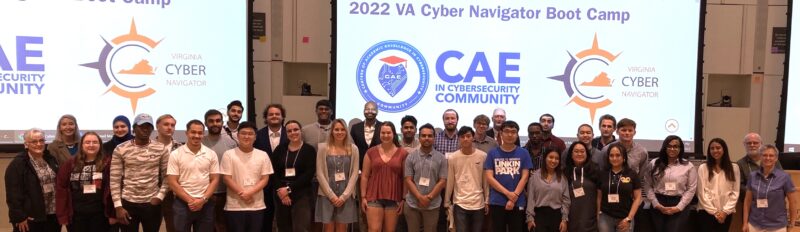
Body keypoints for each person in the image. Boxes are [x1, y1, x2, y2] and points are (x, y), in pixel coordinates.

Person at [109, 113, 170, 232]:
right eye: (141, 126)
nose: (145, 129)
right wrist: (118, 206)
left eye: (148, 126)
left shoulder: (160, 148)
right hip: (128, 203)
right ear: (134, 128)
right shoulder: (121, 149)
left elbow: (167, 176)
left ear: (152, 129)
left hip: (152, 203)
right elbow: (114, 179)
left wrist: (160, 196)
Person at [166, 120, 220, 232]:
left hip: (205, 203)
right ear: (186, 133)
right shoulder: (176, 154)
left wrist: (203, 200)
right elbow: (172, 182)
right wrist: (190, 201)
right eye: (193, 132)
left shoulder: (211, 154)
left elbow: (215, 179)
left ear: (203, 134)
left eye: (200, 133)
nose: (196, 136)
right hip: (182, 204)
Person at [221, 121, 274, 232]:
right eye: (243, 133)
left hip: (256, 205)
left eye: (250, 134)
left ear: (255, 137)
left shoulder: (263, 155)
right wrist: (242, 193)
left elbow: (265, 179)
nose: (246, 136)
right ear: (237, 135)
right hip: (234, 205)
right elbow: (226, 178)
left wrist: (250, 193)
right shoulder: (228, 154)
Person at [6, 128, 61, 232]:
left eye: (41, 140)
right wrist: (19, 217)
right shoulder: (18, 164)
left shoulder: (50, 159)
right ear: (26, 144)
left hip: (52, 214)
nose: (39, 144)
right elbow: (13, 194)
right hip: (31, 217)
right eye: (34, 141)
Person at [484, 121, 533, 232]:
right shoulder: (492, 153)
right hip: (497, 201)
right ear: (500, 133)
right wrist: (508, 194)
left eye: (513, 132)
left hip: (518, 201)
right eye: (506, 131)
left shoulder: (523, 153)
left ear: (517, 135)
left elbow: (525, 177)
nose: (510, 135)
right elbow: (489, 178)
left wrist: (514, 195)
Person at [56, 132, 110, 232]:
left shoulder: (107, 163)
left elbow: (111, 188)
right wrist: (63, 216)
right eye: (87, 142)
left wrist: (112, 214)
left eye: (95, 142)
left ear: (100, 145)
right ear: (81, 145)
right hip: (76, 216)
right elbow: (61, 190)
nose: (91, 145)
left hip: (100, 216)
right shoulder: (70, 164)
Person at [361, 121, 409, 232]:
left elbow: (405, 178)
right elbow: (364, 176)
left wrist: (403, 199)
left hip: (394, 198)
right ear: (379, 134)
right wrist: (363, 197)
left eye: (388, 133)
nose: (386, 135)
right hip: (373, 197)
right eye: (383, 133)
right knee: (374, 229)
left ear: (394, 134)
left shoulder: (403, 153)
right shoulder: (371, 152)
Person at [314, 119, 360, 232]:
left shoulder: (353, 148)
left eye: (342, 129)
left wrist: (344, 196)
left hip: (346, 194)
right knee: (328, 228)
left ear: (346, 131)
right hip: (326, 193)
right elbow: (319, 173)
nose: (340, 132)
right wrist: (331, 195)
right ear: (332, 131)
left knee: (342, 228)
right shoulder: (322, 148)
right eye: (336, 129)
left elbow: (355, 173)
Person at [644, 135, 697, 232]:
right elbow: (647, 185)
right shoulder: (654, 163)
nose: (672, 149)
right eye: (669, 146)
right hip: (659, 202)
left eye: (676, 146)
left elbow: (691, 189)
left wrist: (679, 207)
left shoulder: (688, 166)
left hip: (678, 203)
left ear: (680, 148)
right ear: (665, 147)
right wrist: (656, 204)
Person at [273, 120, 317, 232]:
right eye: (289, 131)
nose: (293, 133)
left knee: (301, 227)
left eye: (296, 129)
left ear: (301, 131)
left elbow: (309, 174)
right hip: (281, 194)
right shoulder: (280, 149)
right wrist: (281, 192)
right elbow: (274, 172)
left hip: (302, 194)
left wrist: (288, 189)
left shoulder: (309, 150)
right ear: (286, 133)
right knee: (283, 227)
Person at [742, 144, 798, 232]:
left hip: (777, 226)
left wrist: (792, 224)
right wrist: (745, 222)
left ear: (776, 158)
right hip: (755, 224)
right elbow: (747, 201)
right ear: (760, 157)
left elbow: (793, 202)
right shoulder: (752, 176)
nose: (767, 158)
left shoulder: (784, 177)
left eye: (771, 155)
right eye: (764, 155)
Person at [404, 123, 447, 232]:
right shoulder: (411, 156)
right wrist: (420, 197)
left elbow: (442, 181)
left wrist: (429, 198)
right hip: (412, 204)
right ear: (419, 137)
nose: (426, 138)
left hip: (432, 205)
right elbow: (408, 180)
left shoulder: (441, 158)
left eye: (429, 136)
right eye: (423, 135)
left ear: (434, 138)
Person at [444, 126, 489, 232]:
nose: (465, 139)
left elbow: (485, 181)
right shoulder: (453, 158)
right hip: (460, 203)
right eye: (462, 136)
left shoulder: (482, 156)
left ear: (473, 138)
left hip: (478, 203)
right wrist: (446, 202)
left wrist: (487, 200)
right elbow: (450, 180)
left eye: (468, 136)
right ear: (459, 139)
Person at [203, 109, 239, 232]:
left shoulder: (231, 143)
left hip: (226, 193)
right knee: (206, 227)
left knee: (224, 227)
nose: (215, 124)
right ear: (206, 123)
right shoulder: (200, 142)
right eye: (211, 121)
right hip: (205, 194)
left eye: (218, 121)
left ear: (222, 122)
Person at [254, 104, 288, 232]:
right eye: (271, 114)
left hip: (285, 183)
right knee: (265, 218)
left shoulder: (290, 133)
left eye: (277, 114)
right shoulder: (258, 135)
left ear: (282, 117)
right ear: (266, 117)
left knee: (284, 219)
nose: (274, 116)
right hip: (263, 183)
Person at [697, 138, 740, 231]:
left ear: (724, 149)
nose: (715, 150)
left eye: (718, 148)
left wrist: (724, 212)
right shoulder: (703, 167)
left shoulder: (734, 167)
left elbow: (735, 192)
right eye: (712, 148)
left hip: (726, 212)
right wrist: (715, 212)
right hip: (706, 212)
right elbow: (701, 193)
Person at [597, 143, 642, 232]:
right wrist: (598, 213)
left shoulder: (632, 174)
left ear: (624, 157)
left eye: (618, 155)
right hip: (605, 217)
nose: (614, 158)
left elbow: (638, 198)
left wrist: (629, 218)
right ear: (608, 157)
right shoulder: (602, 174)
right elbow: (599, 197)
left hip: (625, 217)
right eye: (611, 155)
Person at [526, 149, 570, 232]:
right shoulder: (535, 177)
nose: (553, 160)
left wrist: (564, 219)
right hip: (539, 216)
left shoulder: (563, 178)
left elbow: (566, 200)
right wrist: (530, 218)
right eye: (551, 157)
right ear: (545, 158)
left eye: (557, 158)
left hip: (557, 216)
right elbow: (530, 199)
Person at [563, 141, 599, 232]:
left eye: (582, 151)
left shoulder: (595, 170)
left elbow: (600, 195)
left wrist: (599, 214)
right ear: (571, 154)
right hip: (571, 219)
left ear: (587, 154)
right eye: (576, 151)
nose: (579, 154)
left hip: (591, 219)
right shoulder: (564, 172)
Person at [155, 114, 182, 232]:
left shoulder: (181, 147)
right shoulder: (148, 146)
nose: (169, 127)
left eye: (172, 125)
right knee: (151, 227)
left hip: (173, 194)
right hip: (153, 192)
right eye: (166, 124)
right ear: (157, 126)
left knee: (174, 228)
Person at [737, 133, 782, 202]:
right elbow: (739, 185)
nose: (752, 145)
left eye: (755, 143)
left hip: (773, 201)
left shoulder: (772, 161)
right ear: (744, 145)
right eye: (749, 143)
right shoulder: (740, 164)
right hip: (751, 203)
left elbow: (781, 179)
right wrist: (757, 193)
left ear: (761, 144)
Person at [351, 101, 382, 167]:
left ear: (377, 111)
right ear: (363, 111)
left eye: (373, 109)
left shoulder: (383, 127)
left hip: (378, 166)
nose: (370, 111)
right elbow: (351, 149)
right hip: (359, 167)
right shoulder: (355, 128)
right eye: (367, 109)